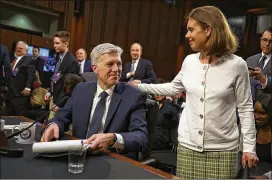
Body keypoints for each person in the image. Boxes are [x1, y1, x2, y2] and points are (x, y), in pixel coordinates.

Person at [131, 6, 258, 179]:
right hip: (187, 147)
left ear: (208, 30)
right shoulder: (189, 61)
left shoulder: (237, 65)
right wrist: (140, 87)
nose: (187, 35)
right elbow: (173, 88)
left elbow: (245, 108)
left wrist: (249, 147)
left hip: (222, 151)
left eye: (191, 30)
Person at [41, 43, 148, 159]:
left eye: (119, 64)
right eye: (110, 64)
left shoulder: (134, 96)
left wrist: (114, 138)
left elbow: (141, 137)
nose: (116, 69)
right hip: (79, 158)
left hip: (113, 159)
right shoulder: (81, 90)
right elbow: (61, 117)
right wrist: (54, 125)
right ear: (95, 68)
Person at [44, 31, 80, 113]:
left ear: (65, 43)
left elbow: (69, 87)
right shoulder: (57, 57)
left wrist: (59, 103)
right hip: (54, 97)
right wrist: (50, 91)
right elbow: (56, 76)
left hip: (61, 103)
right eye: (54, 43)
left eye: (57, 43)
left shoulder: (72, 62)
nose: (54, 46)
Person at [5, 41, 36, 115]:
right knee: (8, 116)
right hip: (10, 94)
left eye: (21, 48)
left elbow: (31, 74)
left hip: (20, 94)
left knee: (18, 116)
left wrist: (28, 88)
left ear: (26, 50)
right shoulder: (13, 59)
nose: (18, 49)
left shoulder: (29, 59)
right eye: (17, 48)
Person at [247, 27, 272, 100]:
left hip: (266, 107)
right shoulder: (250, 60)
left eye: (271, 41)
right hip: (247, 105)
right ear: (260, 40)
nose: (267, 44)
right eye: (265, 40)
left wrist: (262, 78)